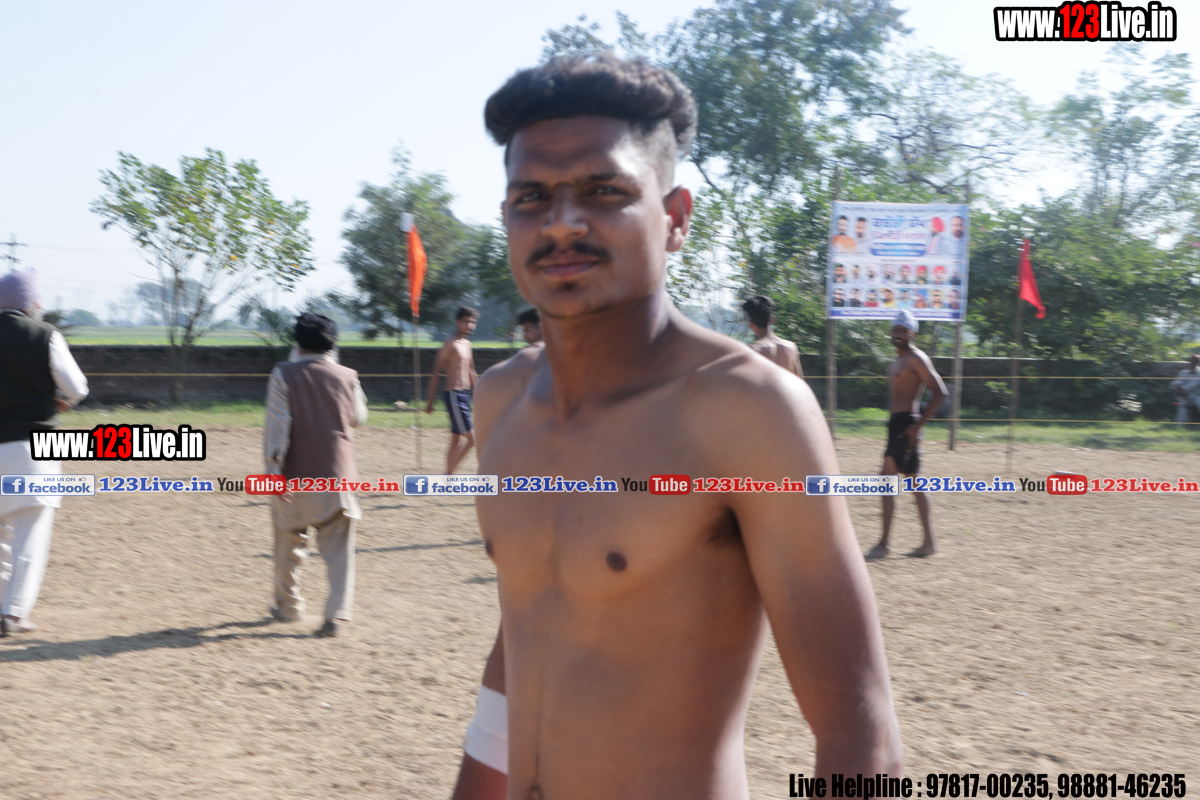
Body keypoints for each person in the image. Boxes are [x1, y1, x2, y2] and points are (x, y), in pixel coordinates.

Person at [450, 53, 902, 800]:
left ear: (676, 218)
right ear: (507, 219)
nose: (561, 222)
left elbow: (860, 728)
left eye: (604, 190)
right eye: (531, 197)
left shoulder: (746, 411)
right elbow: (527, 633)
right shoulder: (502, 400)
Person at [263, 312, 367, 638]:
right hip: (339, 478)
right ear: (333, 343)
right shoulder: (348, 376)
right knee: (339, 553)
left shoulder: (284, 373)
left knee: (287, 545)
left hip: (295, 478)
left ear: (298, 342)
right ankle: (335, 615)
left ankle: (289, 607)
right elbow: (359, 416)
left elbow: (277, 427)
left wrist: (273, 471)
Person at [0, 269, 89, 636]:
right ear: (28, 303)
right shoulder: (45, 334)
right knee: (29, 534)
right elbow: (77, 387)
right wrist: (61, 399)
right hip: (33, 451)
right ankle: (12, 614)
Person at [865, 310, 947, 561]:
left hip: (906, 424)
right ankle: (927, 543)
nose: (898, 334)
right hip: (897, 424)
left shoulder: (916, 358)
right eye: (895, 329)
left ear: (913, 333)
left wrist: (917, 426)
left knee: (887, 481)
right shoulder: (899, 359)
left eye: (903, 330)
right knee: (913, 482)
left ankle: (884, 544)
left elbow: (940, 392)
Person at [426, 307, 479, 474]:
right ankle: (448, 473)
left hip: (465, 395)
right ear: (457, 322)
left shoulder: (467, 344)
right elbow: (436, 370)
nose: (469, 325)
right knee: (472, 439)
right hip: (454, 395)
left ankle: (448, 477)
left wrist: (479, 393)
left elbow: (471, 371)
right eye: (466, 321)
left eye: (472, 322)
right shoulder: (450, 343)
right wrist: (430, 400)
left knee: (455, 438)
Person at [741, 295, 802, 376]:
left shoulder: (752, 350)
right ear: (772, 319)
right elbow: (800, 381)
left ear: (750, 322)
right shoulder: (792, 348)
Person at [1171, 353, 1200, 423]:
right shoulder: (1183, 372)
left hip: (1196, 395)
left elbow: (1190, 386)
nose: (1193, 364)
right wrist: (1179, 390)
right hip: (1182, 394)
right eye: (1192, 362)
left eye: (1195, 362)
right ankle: (1180, 424)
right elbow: (1173, 384)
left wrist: (1180, 389)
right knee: (1183, 404)